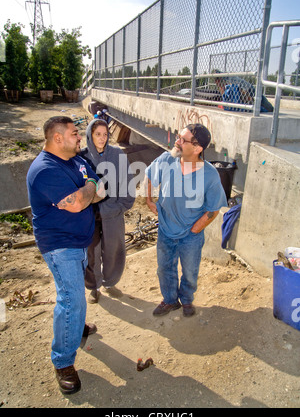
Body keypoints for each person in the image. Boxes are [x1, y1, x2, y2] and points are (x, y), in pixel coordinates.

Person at [26, 116, 104, 395]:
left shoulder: (76, 160)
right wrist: (91, 189)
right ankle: (62, 362)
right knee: (71, 300)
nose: (80, 138)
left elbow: (92, 179)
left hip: (79, 241)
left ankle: (75, 326)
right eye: (74, 134)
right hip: (60, 245)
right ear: (57, 138)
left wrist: (90, 187)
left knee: (72, 297)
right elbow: (81, 201)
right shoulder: (44, 170)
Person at [145, 123, 227, 317]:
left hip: (191, 235)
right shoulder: (166, 159)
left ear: (197, 148)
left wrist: (196, 229)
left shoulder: (209, 174)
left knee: (190, 271)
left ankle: (187, 300)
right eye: (178, 136)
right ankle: (170, 300)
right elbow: (149, 174)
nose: (177, 141)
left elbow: (213, 208)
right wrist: (149, 200)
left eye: (182, 139)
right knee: (165, 269)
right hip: (165, 229)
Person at [80, 119, 135, 303]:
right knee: (91, 252)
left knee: (113, 249)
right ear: (90, 135)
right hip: (89, 216)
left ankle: (110, 282)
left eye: (105, 134)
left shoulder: (117, 155)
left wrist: (120, 206)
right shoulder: (81, 158)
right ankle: (94, 287)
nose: (102, 138)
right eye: (98, 134)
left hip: (113, 213)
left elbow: (128, 183)